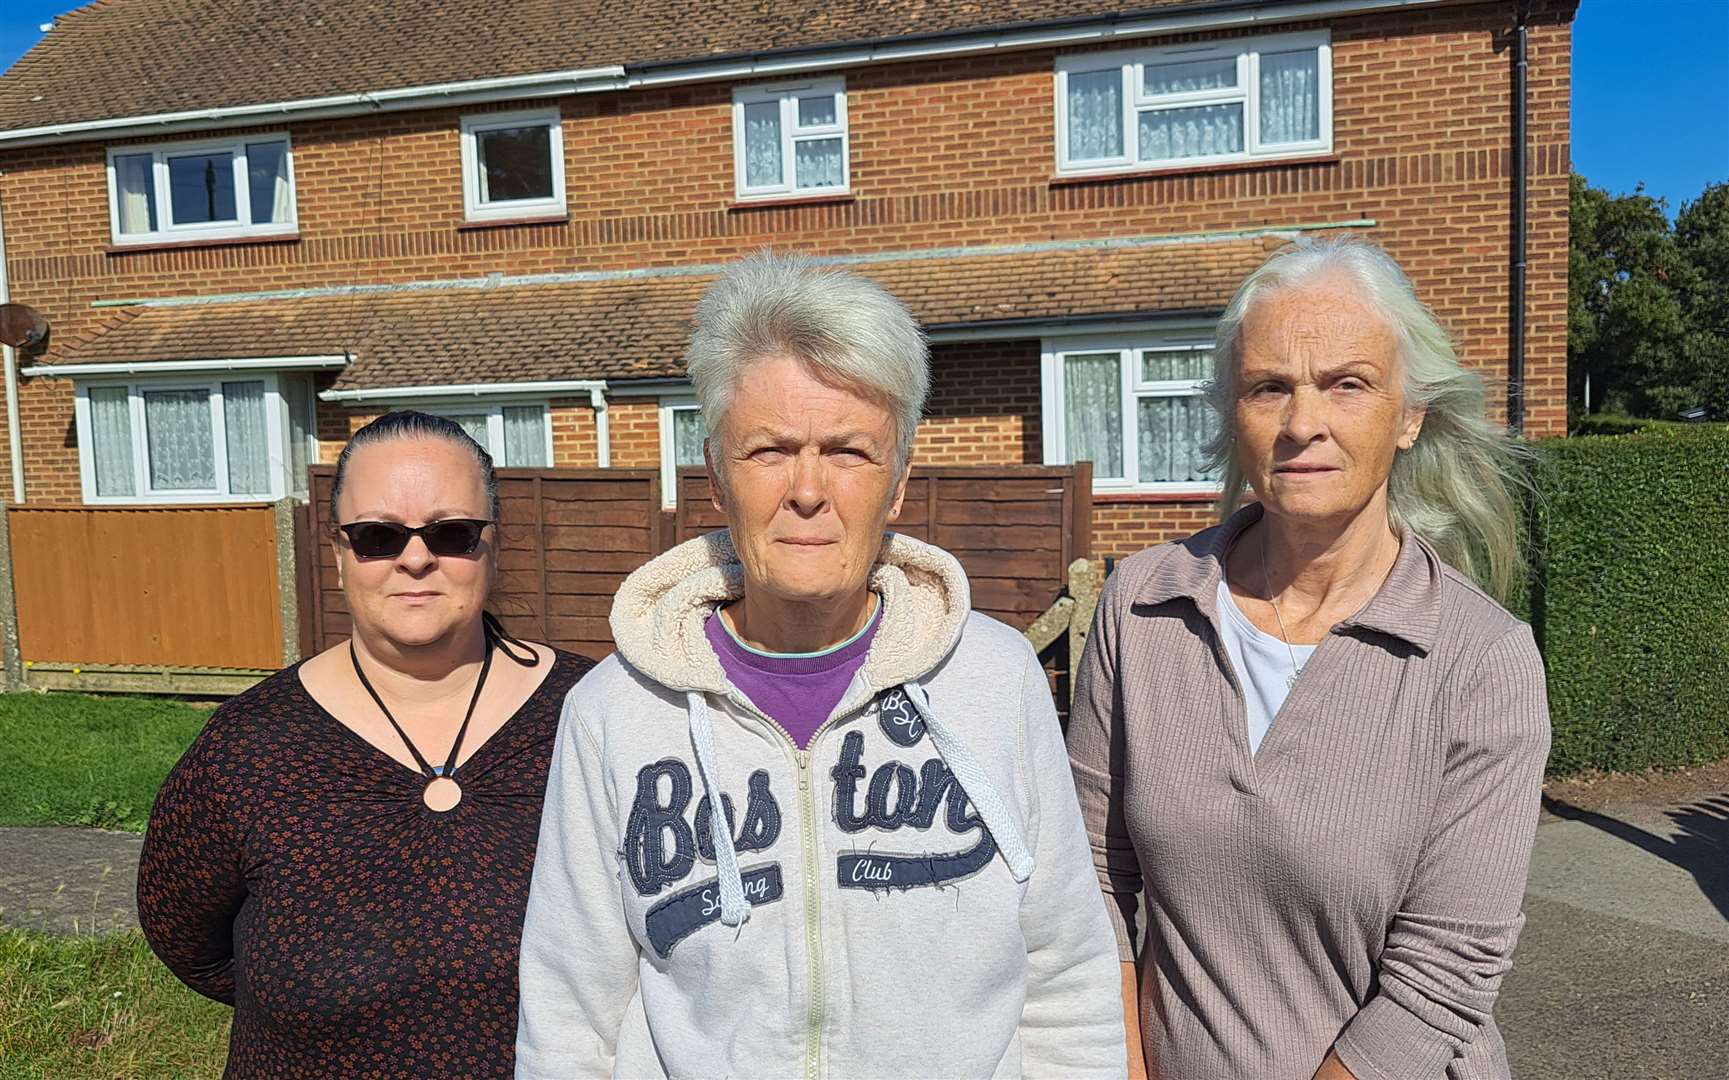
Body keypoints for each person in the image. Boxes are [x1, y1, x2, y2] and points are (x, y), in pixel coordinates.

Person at [515, 252, 1126, 1078]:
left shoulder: (993, 677)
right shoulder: (615, 710)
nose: (808, 490)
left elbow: (1065, 971)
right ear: (716, 475)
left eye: (847, 451)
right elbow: (568, 1011)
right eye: (768, 450)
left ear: (899, 481)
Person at [1068, 236, 1551, 1080]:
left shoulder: (1480, 660)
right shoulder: (1143, 605)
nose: (1302, 424)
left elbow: (1444, 975)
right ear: (1233, 414)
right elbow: (1092, 881)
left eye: (1346, 384)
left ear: (1409, 416)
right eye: (1268, 388)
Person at [138, 410, 593, 1078]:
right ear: (338, 553)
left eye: (451, 533)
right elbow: (188, 938)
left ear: (493, 546)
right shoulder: (249, 749)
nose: (415, 558)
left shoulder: (597, 716)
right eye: (378, 535)